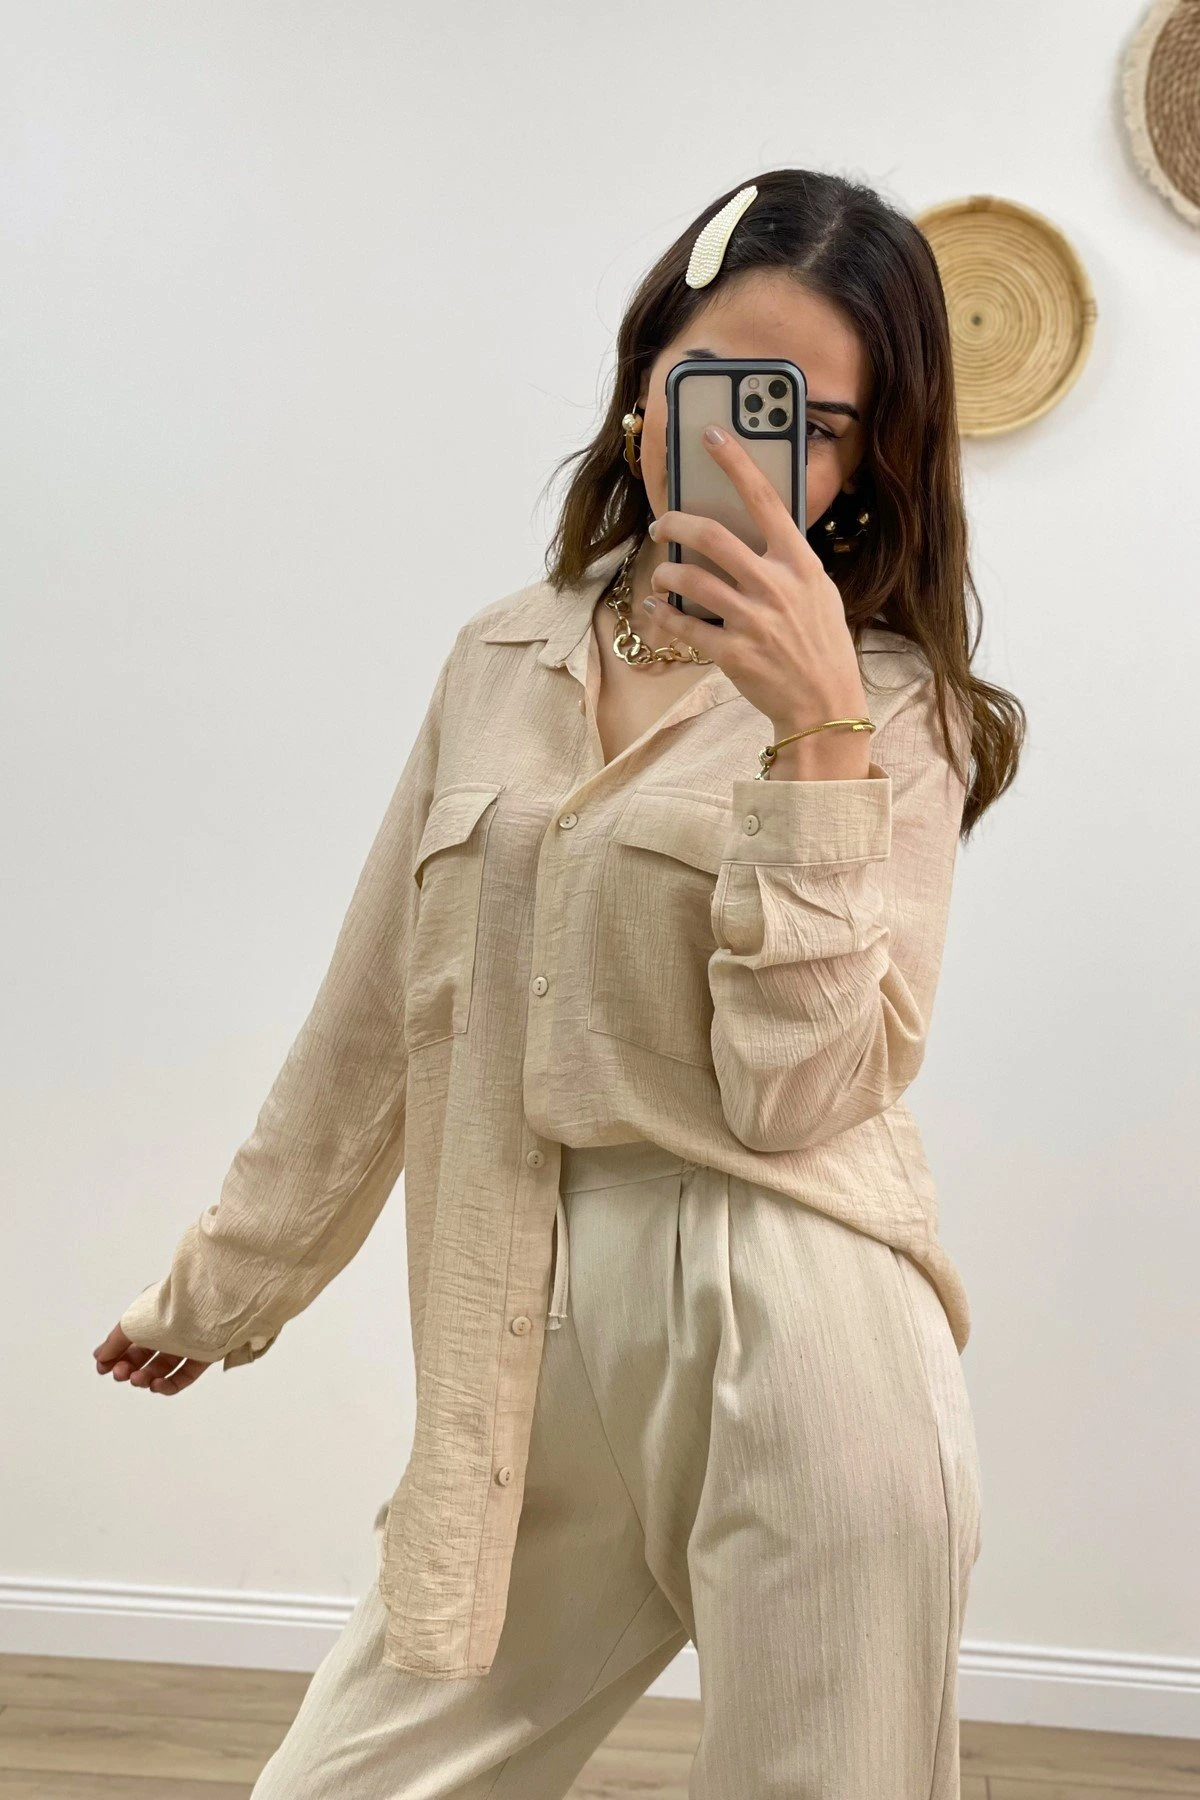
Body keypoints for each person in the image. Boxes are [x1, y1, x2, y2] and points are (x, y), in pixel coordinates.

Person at [94, 167, 1025, 1798]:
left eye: (811, 425)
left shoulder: (897, 708)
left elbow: (799, 1096)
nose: (752, 447)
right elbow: (377, 1010)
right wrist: (232, 1284)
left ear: (868, 459)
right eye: (719, 386)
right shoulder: (500, 656)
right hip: (519, 1310)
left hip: (802, 1318)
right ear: (643, 384)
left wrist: (814, 735)